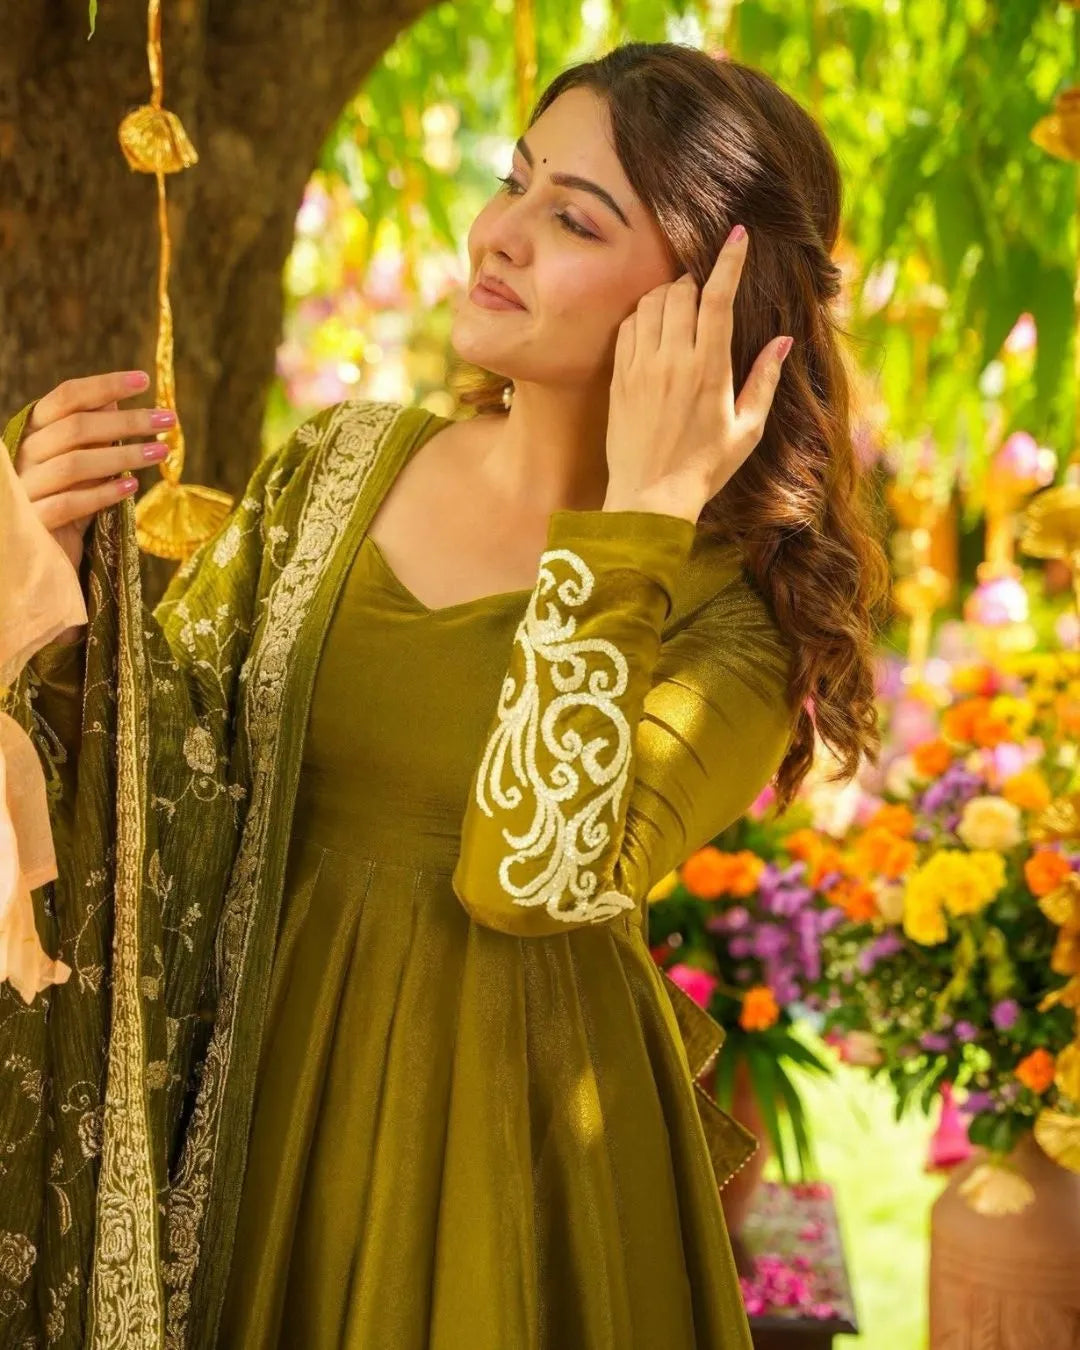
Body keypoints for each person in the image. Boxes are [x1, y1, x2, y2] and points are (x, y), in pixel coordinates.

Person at [1, 40, 889, 1350]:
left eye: (576, 216)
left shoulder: (734, 613)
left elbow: (527, 870)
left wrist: (640, 518)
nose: (503, 233)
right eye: (515, 180)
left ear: (709, 305)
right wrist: (47, 571)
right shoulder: (344, 466)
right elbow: (153, 781)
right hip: (265, 1117)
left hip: (509, 1170)